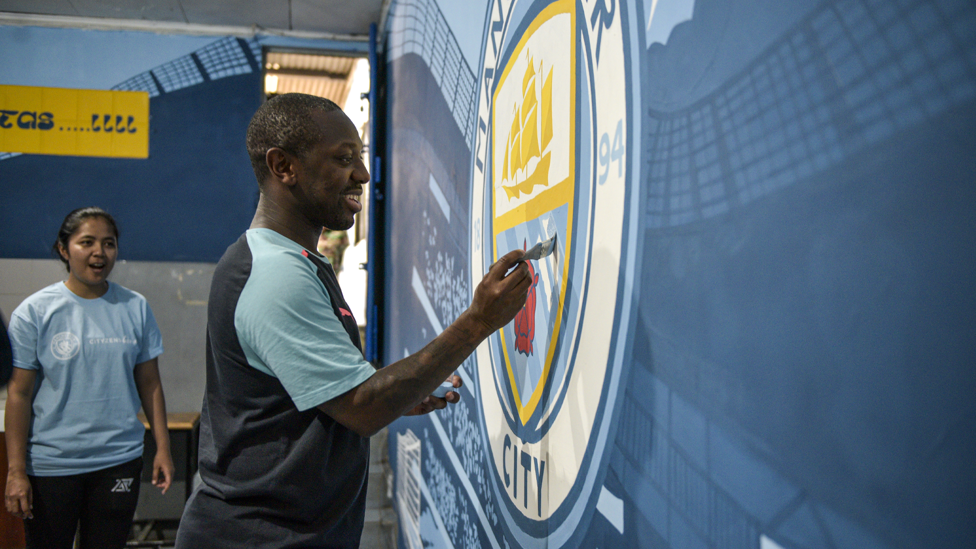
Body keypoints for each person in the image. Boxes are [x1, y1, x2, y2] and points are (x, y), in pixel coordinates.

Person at [174, 93, 530, 548]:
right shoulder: (275, 274)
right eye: (344, 159)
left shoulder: (294, 261)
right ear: (284, 166)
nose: (362, 174)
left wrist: (397, 392)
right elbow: (361, 408)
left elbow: (318, 391)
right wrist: (479, 322)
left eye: (358, 158)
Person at [4, 207, 174, 549]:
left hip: (118, 460)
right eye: (87, 242)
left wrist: (163, 449)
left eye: (108, 243)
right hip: (52, 466)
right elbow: (19, 395)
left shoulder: (135, 307)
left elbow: (150, 384)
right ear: (64, 250)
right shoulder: (35, 311)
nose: (100, 252)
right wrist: (16, 470)